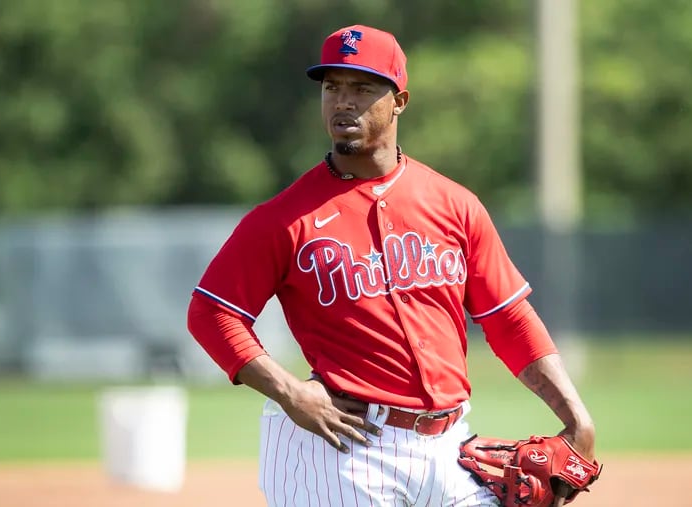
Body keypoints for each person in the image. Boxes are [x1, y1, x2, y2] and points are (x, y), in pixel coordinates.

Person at [187, 24, 596, 507]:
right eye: (332, 87)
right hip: (342, 448)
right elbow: (211, 312)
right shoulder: (283, 219)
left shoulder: (455, 205)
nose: (343, 102)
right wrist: (289, 393)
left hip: (450, 450)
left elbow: (508, 316)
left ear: (399, 100)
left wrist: (576, 417)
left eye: (362, 88)